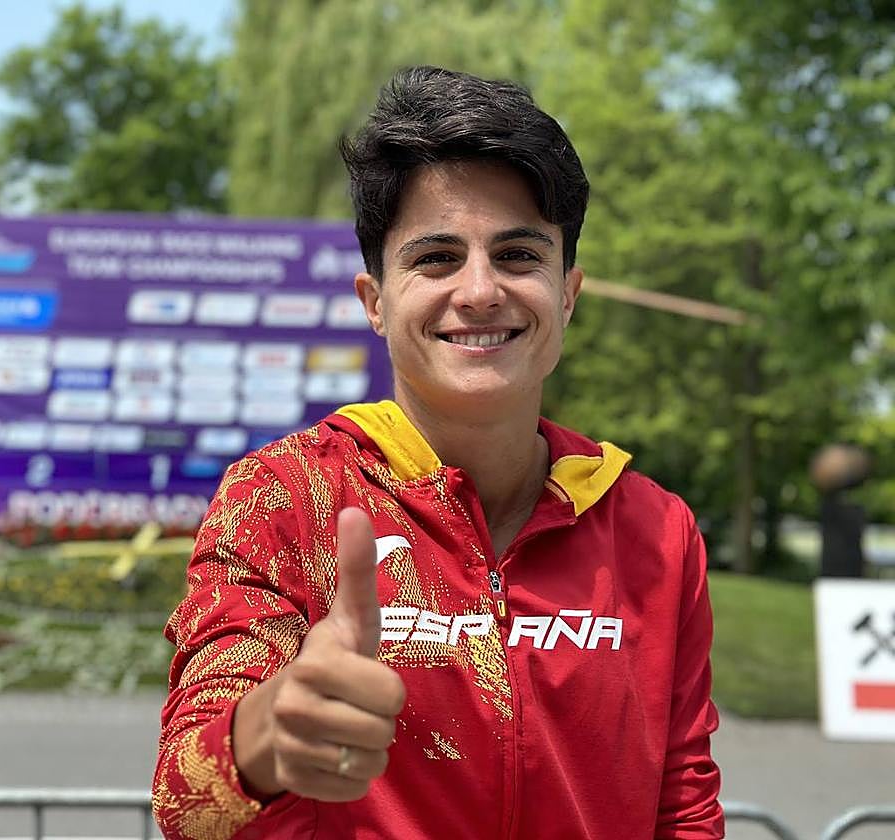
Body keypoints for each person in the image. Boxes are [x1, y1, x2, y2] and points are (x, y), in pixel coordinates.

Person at [153, 65, 723, 839]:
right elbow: (186, 808)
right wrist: (263, 739)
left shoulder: (657, 531)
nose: (481, 289)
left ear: (567, 294)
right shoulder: (282, 498)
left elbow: (684, 810)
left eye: (520, 254)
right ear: (376, 302)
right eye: (437, 258)